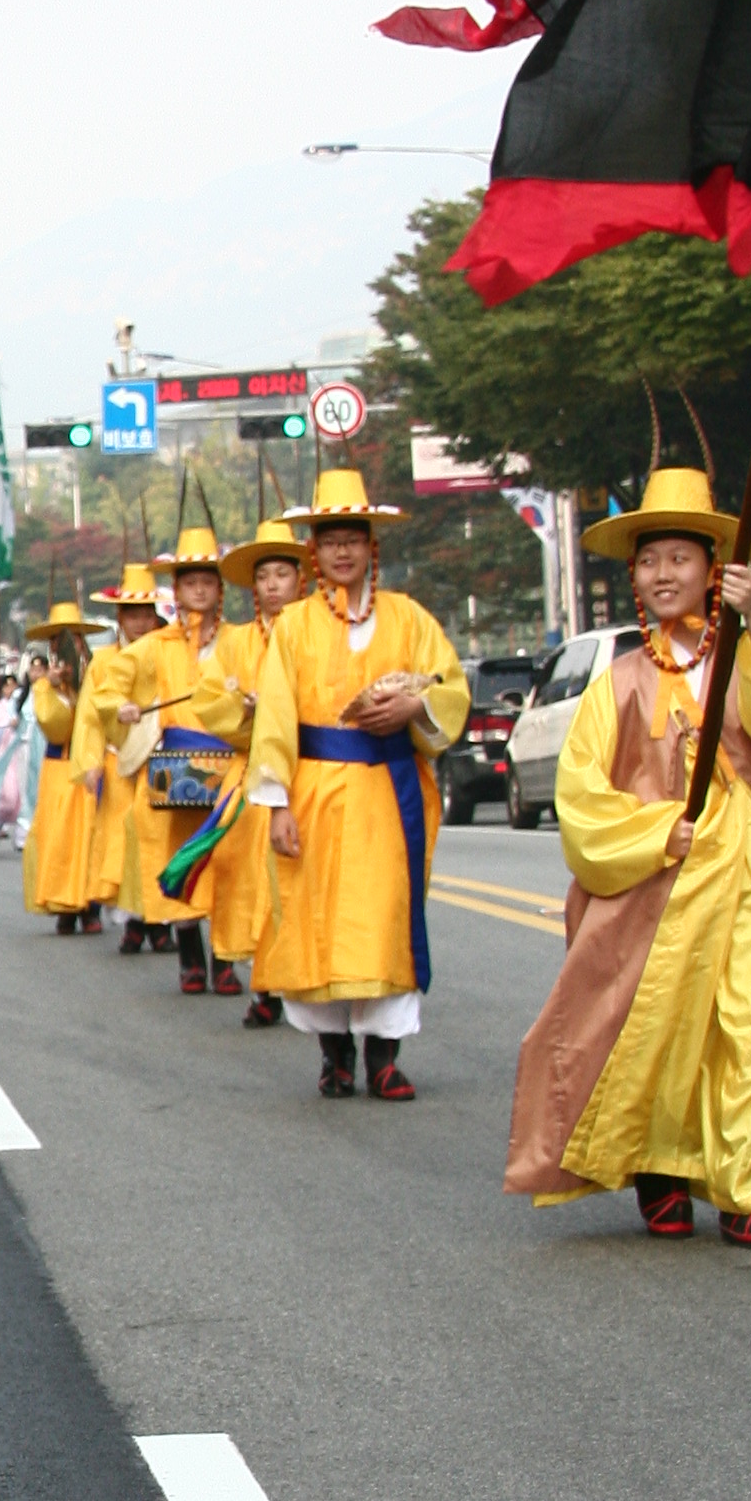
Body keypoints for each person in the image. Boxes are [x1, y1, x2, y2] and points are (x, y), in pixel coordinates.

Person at [506, 469, 751, 1245]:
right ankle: (660, 1168)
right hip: (661, 883)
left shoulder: (750, 656)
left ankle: (746, 1188)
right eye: (651, 562)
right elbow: (581, 799)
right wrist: (656, 834)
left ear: (713, 570)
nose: (663, 576)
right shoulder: (617, 680)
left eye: (681, 560)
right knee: (656, 1031)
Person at [242, 469, 470, 1101]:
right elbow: (276, 719)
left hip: (390, 791)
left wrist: (413, 711)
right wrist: (277, 804)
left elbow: (449, 687)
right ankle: (334, 1053)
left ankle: (385, 1057)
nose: (343, 551)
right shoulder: (291, 627)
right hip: (315, 788)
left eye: (355, 538)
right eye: (330, 539)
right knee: (316, 921)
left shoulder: (410, 618)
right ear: (313, 550)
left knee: (386, 916)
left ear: (373, 546)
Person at [126, 528, 256, 994]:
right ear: (175, 591)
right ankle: (190, 956)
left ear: (221, 588)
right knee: (181, 859)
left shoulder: (242, 640)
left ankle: (224, 958)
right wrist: (122, 707)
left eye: (208, 581)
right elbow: (115, 685)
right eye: (190, 582)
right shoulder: (155, 646)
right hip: (177, 771)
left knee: (226, 862)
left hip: (230, 766)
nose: (200, 590)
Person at [215, 522, 305, 1025]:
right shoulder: (236, 642)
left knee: (293, 883)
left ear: (300, 579)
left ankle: (292, 981)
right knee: (252, 883)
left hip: (307, 776)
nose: (272, 585)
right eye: (263, 576)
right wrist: (247, 711)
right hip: (249, 776)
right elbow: (211, 699)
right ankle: (263, 986)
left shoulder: (319, 632)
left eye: (281, 574)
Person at [67, 564, 166, 946]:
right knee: (123, 841)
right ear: (119, 617)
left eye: (146, 614)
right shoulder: (104, 661)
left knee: (158, 838)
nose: (141, 623)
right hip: (120, 760)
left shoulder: (167, 651)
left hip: (162, 758)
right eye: (132, 614)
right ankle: (134, 921)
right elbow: (90, 716)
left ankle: (160, 920)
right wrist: (90, 762)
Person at [20, 603, 106, 928]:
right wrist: (48, 686)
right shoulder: (46, 687)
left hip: (92, 767)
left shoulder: (97, 677)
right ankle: (65, 907)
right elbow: (53, 724)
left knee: (92, 837)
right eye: (59, 642)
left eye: (75, 640)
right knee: (61, 839)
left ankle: (91, 906)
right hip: (60, 770)